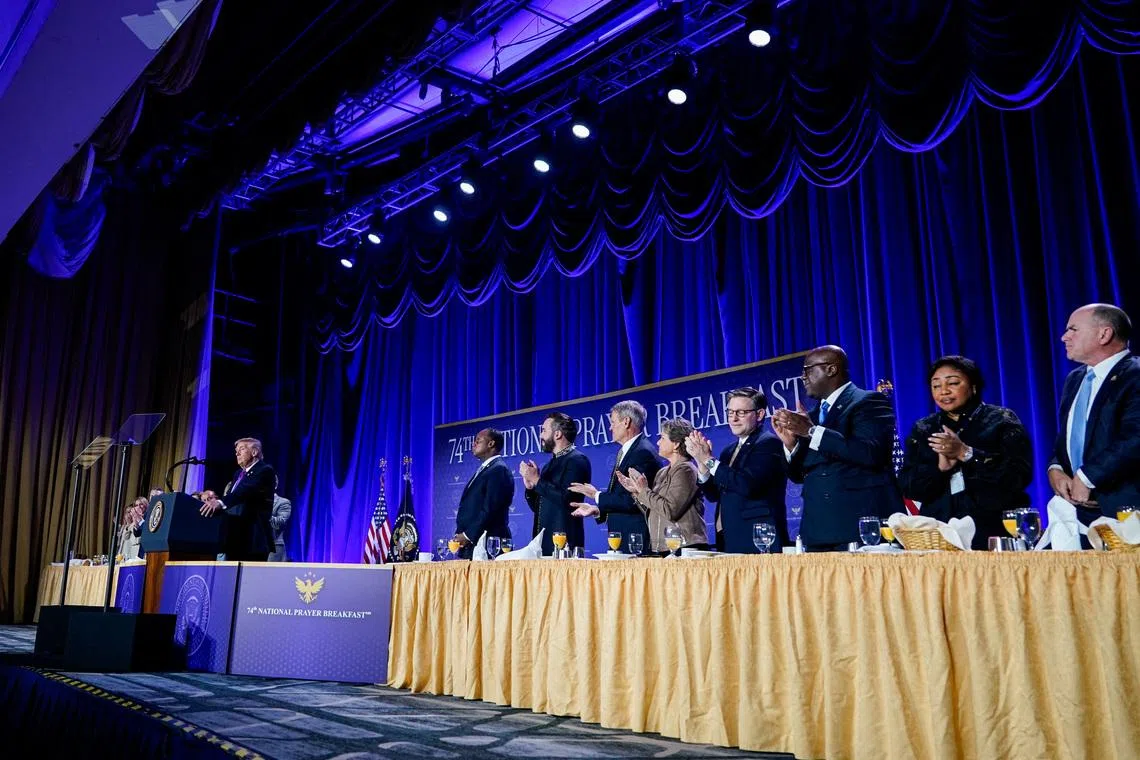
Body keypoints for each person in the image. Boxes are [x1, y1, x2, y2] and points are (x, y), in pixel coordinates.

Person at [772, 346, 903, 550]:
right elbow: (799, 475)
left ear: (831, 369)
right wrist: (791, 445)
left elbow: (870, 453)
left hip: (858, 526)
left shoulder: (868, 402)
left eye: (807, 369)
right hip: (817, 531)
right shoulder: (812, 417)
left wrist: (811, 432)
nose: (802, 377)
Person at [898, 356, 1032, 549]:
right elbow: (909, 486)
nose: (944, 391)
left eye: (953, 383)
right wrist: (940, 469)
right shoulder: (924, 428)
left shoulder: (1001, 421)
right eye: (936, 386)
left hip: (992, 528)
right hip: (939, 532)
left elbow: (1018, 476)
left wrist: (966, 453)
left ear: (974, 385)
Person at [1049, 303, 1140, 524]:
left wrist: (1087, 477)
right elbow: (1070, 436)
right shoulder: (1075, 379)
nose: (1064, 337)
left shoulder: (1135, 375)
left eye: (1073, 329)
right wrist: (1056, 467)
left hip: (1127, 509)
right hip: (1079, 510)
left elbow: (1135, 437)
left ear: (1104, 334)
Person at [685, 387, 787, 553]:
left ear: (759, 414)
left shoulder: (769, 444)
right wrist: (701, 463)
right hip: (728, 536)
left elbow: (747, 485)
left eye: (741, 412)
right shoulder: (728, 450)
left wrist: (708, 460)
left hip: (757, 538)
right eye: (730, 412)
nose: (733, 418)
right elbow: (714, 495)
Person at [567, 400, 661, 554]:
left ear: (626, 422)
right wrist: (597, 510)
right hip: (623, 540)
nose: (610, 427)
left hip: (635, 541)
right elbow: (622, 499)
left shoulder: (642, 453)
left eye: (613, 422)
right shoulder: (628, 451)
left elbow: (632, 500)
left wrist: (595, 494)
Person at [608, 417, 707, 554]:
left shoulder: (686, 470)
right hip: (663, 547)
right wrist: (636, 492)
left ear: (676, 444)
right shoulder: (662, 473)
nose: (658, 442)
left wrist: (644, 490)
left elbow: (670, 511)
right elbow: (653, 510)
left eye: (663, 438)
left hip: (684, 547)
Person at [521, 412, 590, 556]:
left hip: (565, 545)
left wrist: (537, 480)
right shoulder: (548, 465)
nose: (540, 436)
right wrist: (530, 488)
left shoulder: (577, 460)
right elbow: (539, 508)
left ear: (557, 434)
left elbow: (567, 500)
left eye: (544, 431)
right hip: (542, 545)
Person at [199, 437, 275, 561]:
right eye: (236, 451)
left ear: (254, 452)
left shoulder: (264, 470)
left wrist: (220, 502)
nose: (237, 453)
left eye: (242, 449)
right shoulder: (238, 474)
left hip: (253, 538)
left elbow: (244, 490)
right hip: (234, 536)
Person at [451, 428, 514, 559]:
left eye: (478, 441)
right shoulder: (486, 469)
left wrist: (468, 535)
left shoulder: (498, 470)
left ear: (491, 444)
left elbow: (490, 509)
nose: (473, 444)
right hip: (473, 544)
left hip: (490, 546)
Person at [269, 475, 292, 562]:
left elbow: (279, 523)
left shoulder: (283, 502)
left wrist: (264, 513)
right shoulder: (253, 502)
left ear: (275, 485)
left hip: (273, 547)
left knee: (269, 575)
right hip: (252, 547)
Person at [117, 496, 148, 561]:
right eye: (136, 505)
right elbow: (134, 534)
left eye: (141, 504)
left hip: (143, 549)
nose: (139, 507)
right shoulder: (135, 519)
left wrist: (139, 521)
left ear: (145, 505)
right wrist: (134, 524)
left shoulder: (148, 516)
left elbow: (144, 533)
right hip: (133, 550)